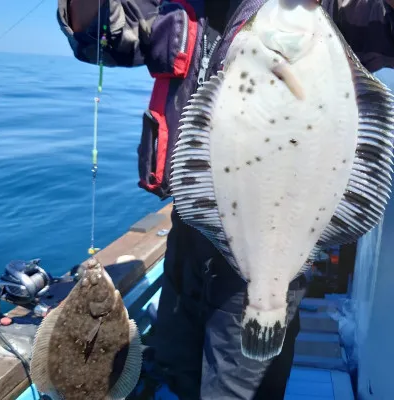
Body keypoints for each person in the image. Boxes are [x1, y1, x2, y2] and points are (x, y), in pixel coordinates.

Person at [57, 1, 394, 398]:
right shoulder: (178, 7)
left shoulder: (327, 9)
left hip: (281, 233)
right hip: (191, 228)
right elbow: (99, 36)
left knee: (237, 390)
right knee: (174, 366)